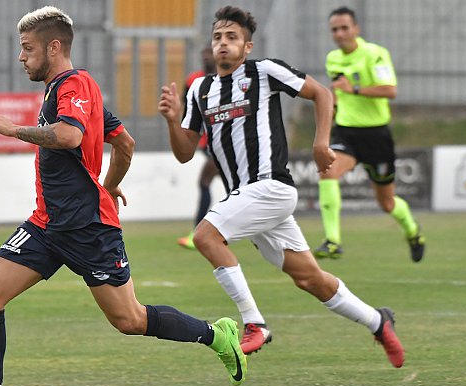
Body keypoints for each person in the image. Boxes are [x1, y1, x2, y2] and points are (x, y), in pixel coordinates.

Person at [0, 6, 246, 386]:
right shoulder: (63, 91)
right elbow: (124, 141)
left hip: (88, 230)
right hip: (47, 226)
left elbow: (70, 136)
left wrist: (13, 130)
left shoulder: (75, 85)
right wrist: (110, 182)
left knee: (130, 320)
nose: (21, 57)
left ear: (53, 47)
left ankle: (217, 335)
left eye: (27, 48)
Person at [158, 5, 405, 361]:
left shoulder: (264, 72)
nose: (223, 44)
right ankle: (378, 322)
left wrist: (321, 142)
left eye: (232, 37)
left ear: (247, 47)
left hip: (272, 185)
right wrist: (172, 120)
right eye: (217, 37)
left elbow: (322, 93)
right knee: (310, 279)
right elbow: (184, 153)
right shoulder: (200, 89)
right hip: (247, 198)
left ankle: (254, 323)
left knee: (205, 236)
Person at [314, 6, 425, 261]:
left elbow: (389, 90)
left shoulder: (375, 54)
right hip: (346, 133)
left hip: (376, 136)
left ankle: (412, 230)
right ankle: (333, 240)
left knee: (387, 203)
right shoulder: (333, 58)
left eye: (344, 28)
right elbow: (338, 96)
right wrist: (330, 118)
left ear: (356, 29)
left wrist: (353, 88)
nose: (340, 34)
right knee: (327, 170)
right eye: (334, 30)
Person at [177, 47, 218, 250]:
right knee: (231, 186)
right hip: (205, 142)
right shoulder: (193, 80)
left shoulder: (227, 80)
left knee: (205, 181)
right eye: (203, 53)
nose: (205, 56)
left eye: (209, 53)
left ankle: (199, 233)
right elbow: (187, 112)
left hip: (222, 141)